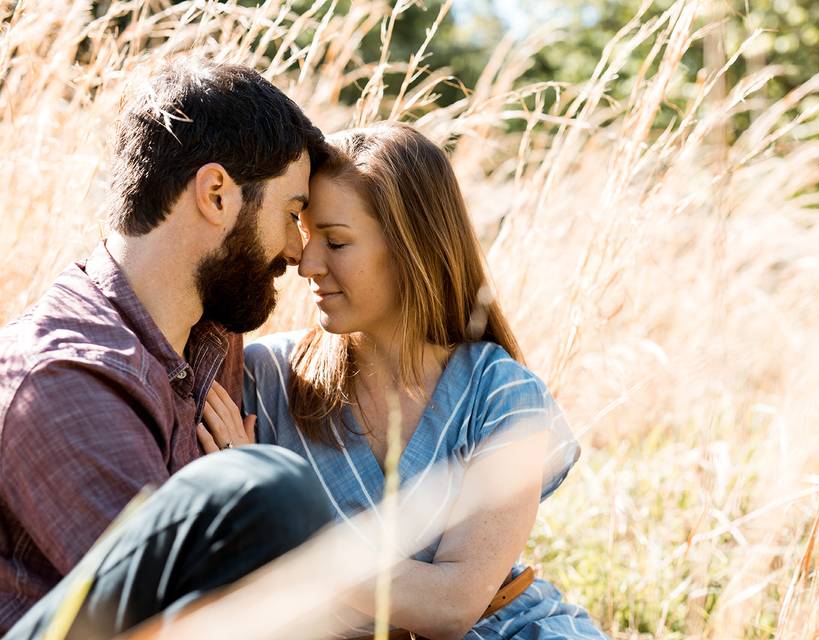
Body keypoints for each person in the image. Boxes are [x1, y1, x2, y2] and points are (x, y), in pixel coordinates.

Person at [221, 122, 607, 639]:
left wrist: (279, 526)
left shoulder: (503, 397)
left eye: (335, 242)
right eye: (307, 237)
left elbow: (451, 609)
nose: (306, 263)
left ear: (410, 247)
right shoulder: (264, 379)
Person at [0, 58, 336, 638]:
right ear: (216, 194)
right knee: (273, 493)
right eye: (290, 213)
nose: (294, 251)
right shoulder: (65, 380)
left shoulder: (208, 333)